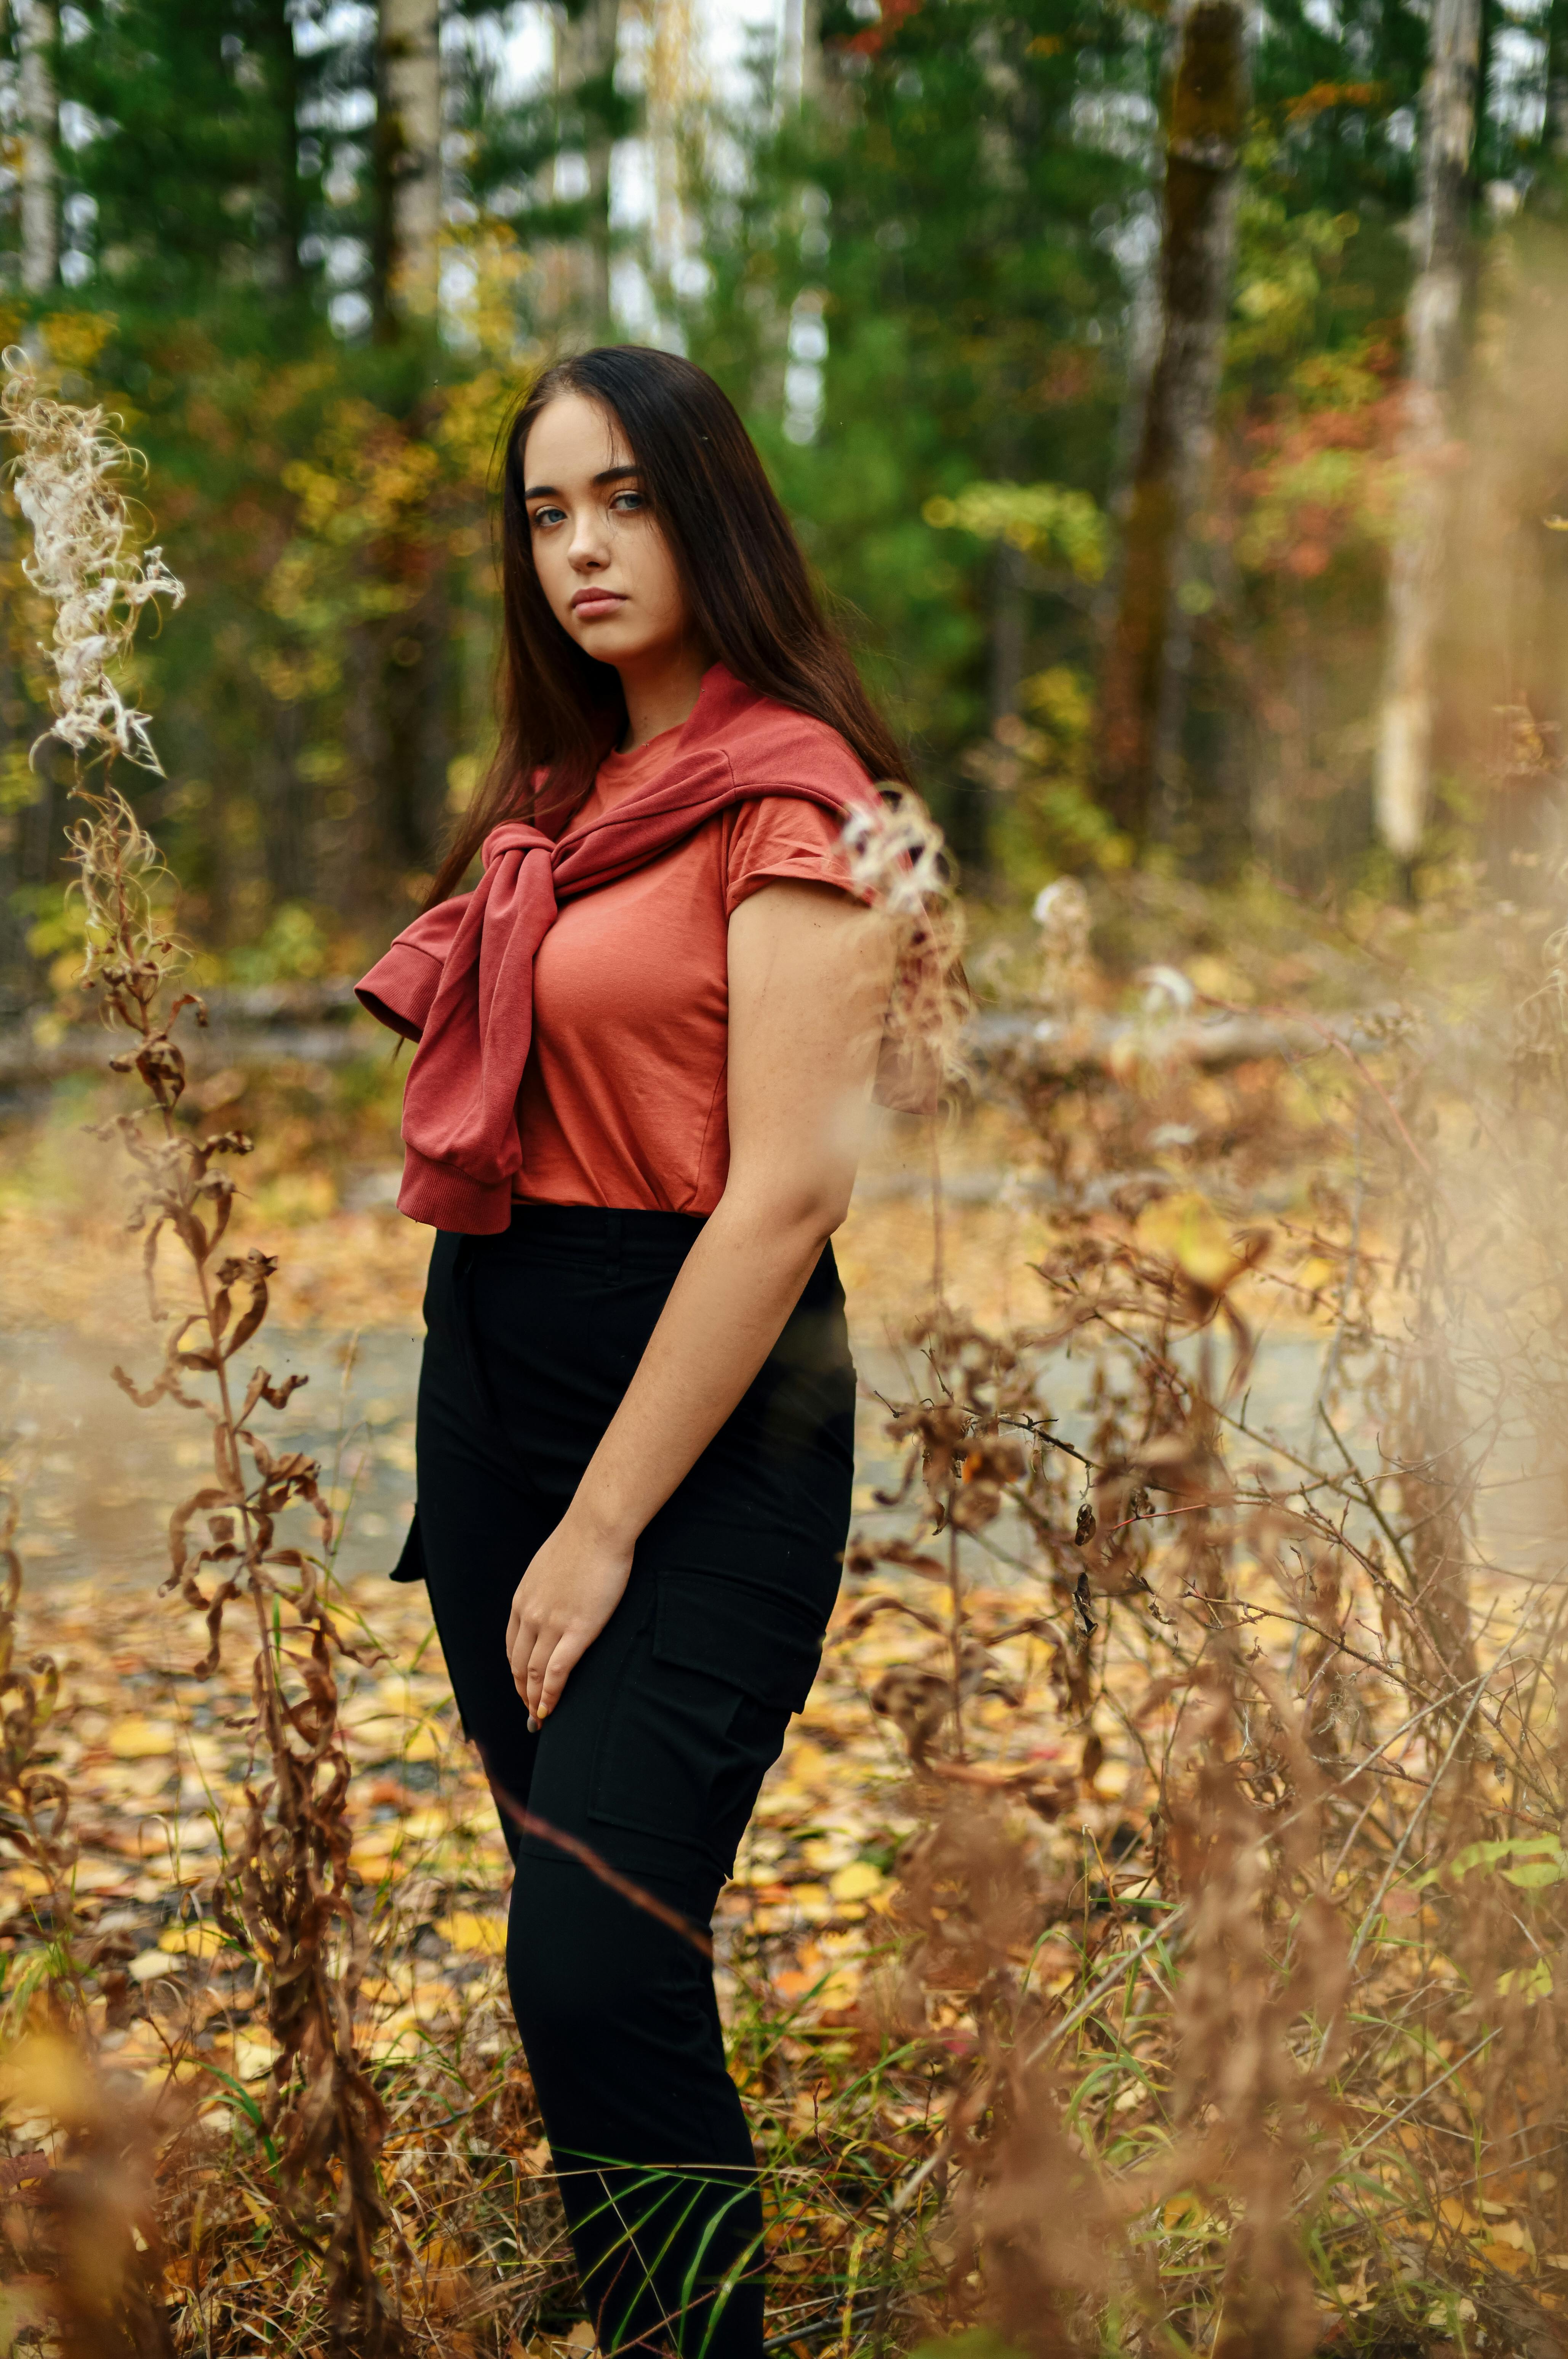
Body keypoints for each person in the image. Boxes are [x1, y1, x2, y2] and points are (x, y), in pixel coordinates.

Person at [355, 345, 916, 2359]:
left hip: (708, 1423)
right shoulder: (562, 791)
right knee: (569, 1956)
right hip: (499, 1375)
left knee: (600, 1961)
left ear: (712, 512)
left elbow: (783, 1201)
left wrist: (598, 1532)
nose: (580, 548)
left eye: (625, 501)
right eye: (543, 511)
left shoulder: (799, 799)